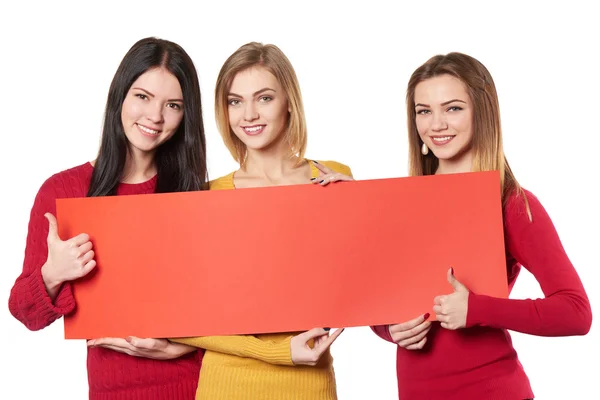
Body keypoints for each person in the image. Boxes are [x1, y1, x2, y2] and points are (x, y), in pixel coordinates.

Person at [371, 52, 592, 399]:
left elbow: (575, 313)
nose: (436, 124)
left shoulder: (513, 204)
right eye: (423, 111)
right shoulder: (404, 203)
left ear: (482, 113)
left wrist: (477, 309)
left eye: (453, 108)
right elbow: (380, 304)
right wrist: (391, 328)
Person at [8, 37, 208, 399]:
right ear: (120, 95)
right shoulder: (63, 191)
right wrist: (54, 274)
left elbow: (229, 312)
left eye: (173, 105)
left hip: (196, 387)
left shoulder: (196, 195)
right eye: (142, 96)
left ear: (186, 116)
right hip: (112, 390)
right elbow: (26, 313)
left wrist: (177, 347)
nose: (155, 116)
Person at [170, 42, 350, 400]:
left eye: (264, 98)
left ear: (288, 102)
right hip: (226, 384)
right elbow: (178, 320)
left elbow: (365, 283)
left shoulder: (334, 179)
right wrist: (276, 352)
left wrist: (364, 209)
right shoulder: (206, 196)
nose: (248, 114)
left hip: (310, 385)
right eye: (235, 101)